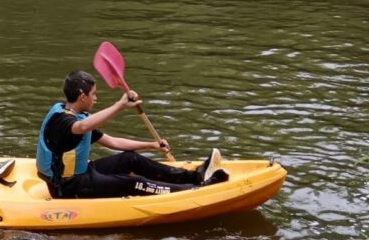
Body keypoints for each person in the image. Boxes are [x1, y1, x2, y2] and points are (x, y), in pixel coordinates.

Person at [36, 70, 228, 199]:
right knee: (133, 183)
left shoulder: (76, 114)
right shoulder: (63, 121)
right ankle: (195, 191)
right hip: (68, 188)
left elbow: (112, 141)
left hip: (83, 174)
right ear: (82, 96)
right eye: (94, 94)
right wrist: (120, 105)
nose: (96, 97)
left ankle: (195, 176)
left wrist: (151, 145)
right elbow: (82, 127)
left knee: (131, 160)